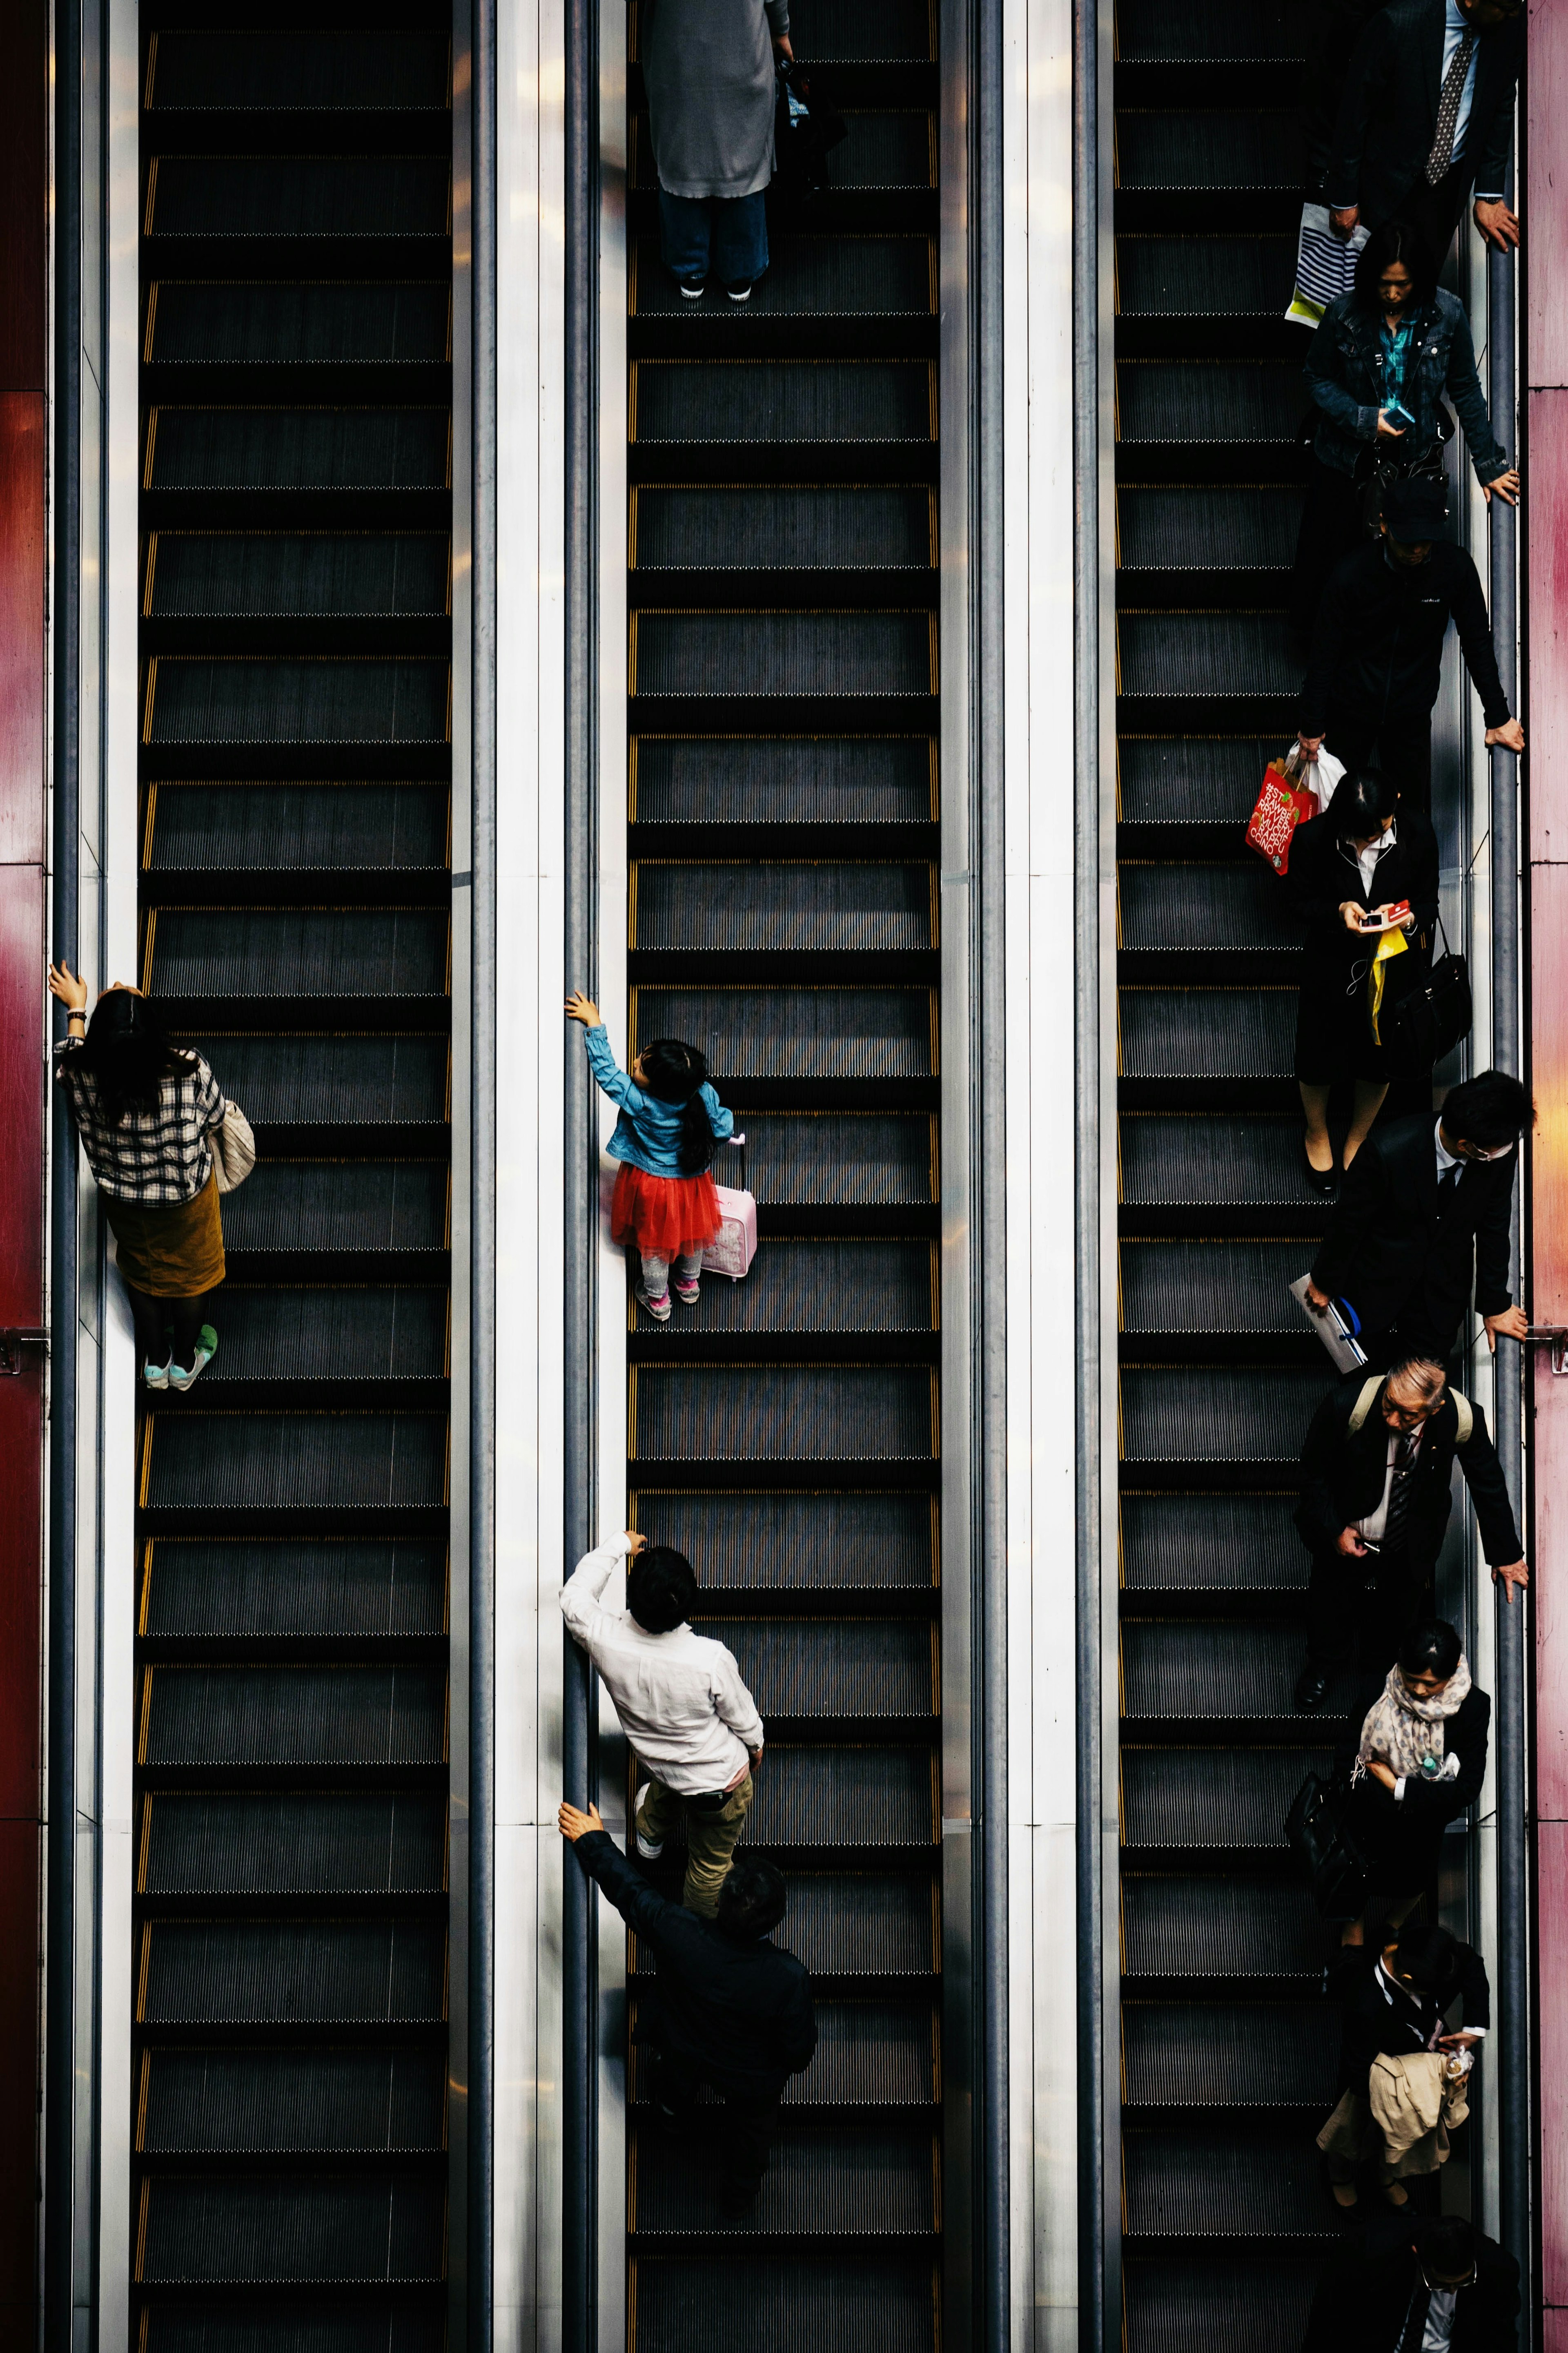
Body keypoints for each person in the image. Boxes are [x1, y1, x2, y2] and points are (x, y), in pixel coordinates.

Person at [558, 1797, 815, 2216]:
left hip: (682, 2046)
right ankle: (738, 2197)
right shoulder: (789, 1978)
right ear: (775, 1923)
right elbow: (798, 2055)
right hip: (749, 2078)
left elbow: (632, 1892)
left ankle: (672, 2115)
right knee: (752, 2138)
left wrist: (593, 1840)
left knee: (673, 2087)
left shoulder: (680, 1933)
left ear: (718, 1902)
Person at [1290, 223, 1519, 639]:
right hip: (1346, 462)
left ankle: (1376, 663)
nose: (1393, 294)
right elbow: (1317, 377)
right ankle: (1321, 653)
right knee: (1332, 566)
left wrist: (1489, 464)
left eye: (1403, 284)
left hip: (1413, 464)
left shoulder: (1446, 315)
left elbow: (1465, 388)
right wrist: (1364, 418)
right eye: (1384, 284)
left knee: (1398, 573)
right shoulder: (1344, 314)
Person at [1292, 1355, 1526, 1711]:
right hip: (1348, 1533)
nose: (1392, 1419)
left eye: (1407, 1415)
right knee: (1330, 1604)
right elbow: (1312, 1474)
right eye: (1389, 1405)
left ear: (1434, 1410)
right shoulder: (1349, 1404)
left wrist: (1506, 1555)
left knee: (1395, 1617)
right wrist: (1335, 1529)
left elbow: (1488, 1482)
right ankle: (1323, 1664)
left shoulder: (1460, 1419)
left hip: (1411, 1541)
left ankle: (1375, 1683)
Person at [559, 1528, 764, 1917]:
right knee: (709, 1866)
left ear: (633, 1599)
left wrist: (620, 1543)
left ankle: (650, 1839)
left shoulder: (604, 1638)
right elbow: (743, 1716)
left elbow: (573, 1598)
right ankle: (697, 1926)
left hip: (661, 1766)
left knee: (662, 1794)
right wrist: (755, 1746)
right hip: (721, 1784)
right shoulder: (710, 1660)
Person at [48, 960, 225, 1392]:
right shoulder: (186, 1068)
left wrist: (77, 1009)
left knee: (140, 1272)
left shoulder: (82, 1074)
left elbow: (69, 1054)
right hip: (185, 1201)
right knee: (193, 1277)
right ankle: (184, 1365)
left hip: (125, 1201)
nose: (118, 982)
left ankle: (155, 1363)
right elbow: (216, 1116)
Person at [1296, 475, 1525, 811]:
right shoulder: (1352, 573)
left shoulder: (1455, 570)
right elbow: (1324, 652)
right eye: (1407, 540)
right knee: (1337, 813)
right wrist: (1312, 725)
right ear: (1385, 526)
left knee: (1413, 822)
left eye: (1425, 540)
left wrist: (1498, 716)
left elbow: (1477, 643)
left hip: (1411, 714)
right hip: (1349, 708)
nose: (1416, 549)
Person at [1303, 1068, 1531, 1362]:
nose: (1504, 1151)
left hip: (1441, 1292)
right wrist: (1324, 1281)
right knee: (1361, 1370)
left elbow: (1495, 1223)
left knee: (1425, 1382)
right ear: (1466, 1146)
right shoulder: (1387, 1151)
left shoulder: (1499, 1149)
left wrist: (1495, 1303)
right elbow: (1348, 1222)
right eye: (1493, 1151)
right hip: (1376, 1281)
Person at [1285, 769, 1439, 1188]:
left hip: (1392, 966)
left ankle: (1357, 1136)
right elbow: (1298, 902)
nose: (1367, 843)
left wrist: (1408, 921)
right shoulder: (1315, 838)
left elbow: (1428, 901)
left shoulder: (1417, 831)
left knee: (1378, 1057)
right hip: (1331, 963)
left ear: (1397, 803)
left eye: (1376, 833)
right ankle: (1317, 1132)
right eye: (1359, 836)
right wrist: (1337, 913)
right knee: (1317, 1054)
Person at [565, 990, 733, 1321]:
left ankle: (657, 1297)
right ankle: (688, 1283)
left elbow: (608, 1074)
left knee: (654, 1245)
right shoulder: (701, 1093)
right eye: (643, 1056)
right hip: (691, 1183)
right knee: (691, 1234)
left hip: (653, 1187)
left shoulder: (641, 1102)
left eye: (641, 1066)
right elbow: (724, 1128)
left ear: (659, 1087)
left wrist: (594, 1023)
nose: (634, 1063)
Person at [1326, 0, 1525, 260]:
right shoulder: (1399, 22)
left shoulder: (1509, 28)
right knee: (1370, 284)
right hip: (1381, 187)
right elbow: (1355, 112)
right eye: (1506, 7)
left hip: (1445, 190)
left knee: (1422, 289)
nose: (1514, 14)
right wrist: (1344, 198)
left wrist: (1488, 194)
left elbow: (1502, 103)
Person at [1337, 1619, 1489, 1948]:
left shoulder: (1473, 1707)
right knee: (1356, 1867)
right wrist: (1375, 1793)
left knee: (1416, 1876)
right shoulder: (1379, 1685)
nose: (1419, 1691)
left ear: (1450, 1676)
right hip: (1369, 1806)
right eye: (1411, 1679)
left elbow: (1466, 1789)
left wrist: (1398, 1788)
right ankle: (1354, 1925)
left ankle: (1392, 1923)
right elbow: (1348, 1752)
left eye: (1431, 1683)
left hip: (1423, 1820)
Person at [1319, 1920, 1489, 2209]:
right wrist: (1424, 2079)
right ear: (1409, 1978)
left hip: (1424, 2047)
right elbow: (1361, 2070)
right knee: (1354, 2127)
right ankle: (1340, 2171)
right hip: (1375, 2073)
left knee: (1395, 2134)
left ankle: (1380, 2171)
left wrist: (1473, 2030)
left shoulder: (1427, 1952)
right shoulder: (1363, 2001)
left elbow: (1470, 1962)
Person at [640, 0, 793, 302]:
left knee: (681, 157)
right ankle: (740, 271)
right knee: (744, 160)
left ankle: (691, 269)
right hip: (742, 58)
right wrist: (781, 31)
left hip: (678, 62)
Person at [1306, 2214, 1521, 2350]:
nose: (1453, 2292)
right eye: (1441, 2285)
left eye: (1463, 2283)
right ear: (1417, 2256)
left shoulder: (1499, 2271)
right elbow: (1328, 2325)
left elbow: (1501, 2343)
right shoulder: (1369, 2253)